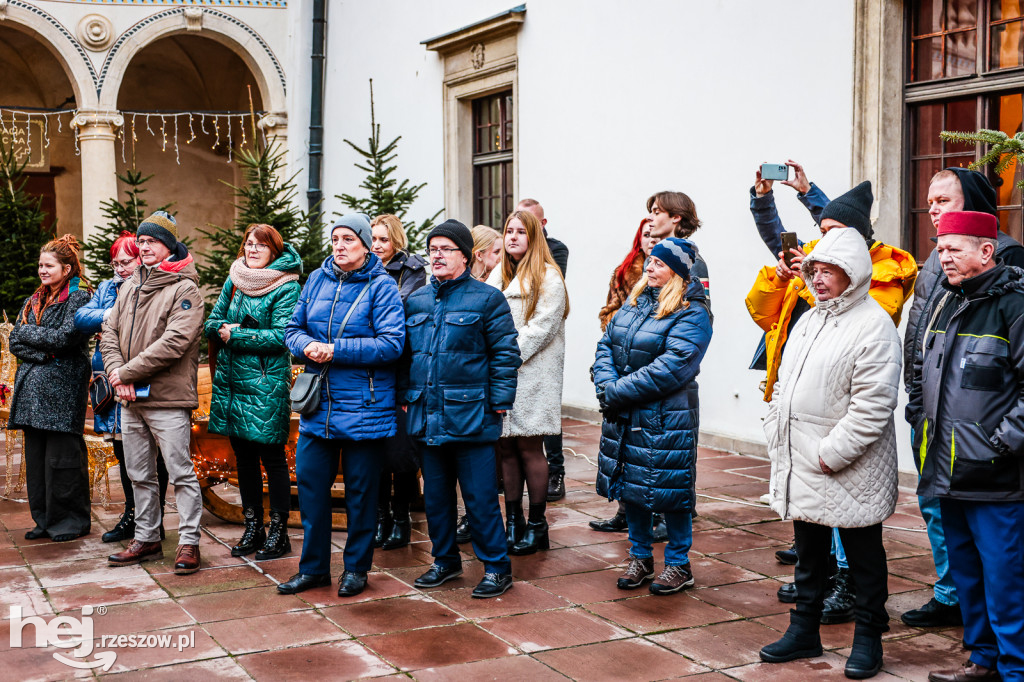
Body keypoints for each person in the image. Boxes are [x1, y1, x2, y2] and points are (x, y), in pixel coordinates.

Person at [746, 180, 917, 618]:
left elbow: (872, 399)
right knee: (810, 534)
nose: (825, 242)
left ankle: (852, 596)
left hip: (838, 431)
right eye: (822, 232)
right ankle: (812, 602)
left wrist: (830, 451)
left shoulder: (884, 277)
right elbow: (766, 317)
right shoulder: (816, 288)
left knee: (855, 534)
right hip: (801, 424)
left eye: (836, 233)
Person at [759, 226, 901, 680]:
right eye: (814, 270)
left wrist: (829, 454)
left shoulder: (874, 324)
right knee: (809, 552)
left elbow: (873, 405)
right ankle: (804, 629)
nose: (817, 279)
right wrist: (775, 427)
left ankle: (868, 639)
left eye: (829, 271)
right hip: (803, 455)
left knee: (862, 556)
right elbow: (782, 378)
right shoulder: (810, 318)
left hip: (846, 464)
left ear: (854, 273)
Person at [901, 167, 1024, 629]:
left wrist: (999, 441)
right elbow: (926, 341)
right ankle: (965, 621)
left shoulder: (1007, 269)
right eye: (929, 202)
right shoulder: (942, 264)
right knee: (950, 534)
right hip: (937, 426)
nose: (932, 210)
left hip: (985, 451)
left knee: (999, 564)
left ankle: (1006, 657)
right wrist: (918, 405)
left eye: (943, 201)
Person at [280, 213, 405, 598]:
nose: (339, 245)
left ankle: (356, 568)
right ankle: (314, 569)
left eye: (348, 239)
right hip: (320, 406)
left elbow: (391, 344)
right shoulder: (316, 279)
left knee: (361, 494)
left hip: (364, 405)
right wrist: (305, 346)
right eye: (335, 239)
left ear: (366, 244)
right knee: (312, 489)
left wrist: (336, 349)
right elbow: (291, 328)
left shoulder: (382, 288)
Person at [400, 219, 521, 598]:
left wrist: (500, 402)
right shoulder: (416, 299)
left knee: (480, 498)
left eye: (445, 249)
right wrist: (406, 396)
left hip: (472, 416)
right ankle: (445, 561)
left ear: (465, 257)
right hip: (427, 416)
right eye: (432, 249)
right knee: (436, 498)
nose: (436, 255)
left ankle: (497, 568)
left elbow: (505, 353)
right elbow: (405, 357)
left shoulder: (487, 299)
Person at [590, 190, 712, 536]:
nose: (651, 218)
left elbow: (696, 324)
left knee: (666, 459)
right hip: (630, 369)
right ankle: (628, 513)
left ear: (676, 217)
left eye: (657, 211)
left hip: (661, 384)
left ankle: (667, 524)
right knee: (632, 452)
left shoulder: (693, 264)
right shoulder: (643, 263)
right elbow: (616, 326)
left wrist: (622, 383)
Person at [103, 212, 205, 575]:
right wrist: (117, 374)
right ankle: (146, 538)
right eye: (141, 241)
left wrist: (125, 372)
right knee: (139, 473)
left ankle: (189, 542)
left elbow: (175, 342)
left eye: (152, 241)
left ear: (169, 246)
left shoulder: (185, 289)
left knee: (180, 473)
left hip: (167, 399)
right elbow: (109, 330)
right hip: (130, 398)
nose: (145, 247)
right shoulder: (130, 284)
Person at [205, 224, 301, 560]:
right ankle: (252, 527)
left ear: (274, 250)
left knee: (272, 458)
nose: (253, 250)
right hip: (232, 385)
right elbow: (212, 321)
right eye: (248, 244)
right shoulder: (235, 278)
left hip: (265, 385)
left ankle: (278, 531)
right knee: (243, 458)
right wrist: (220, 327)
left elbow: (282, 337)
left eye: (260, 245)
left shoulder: (286, 286)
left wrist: (238, 335)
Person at [75, 231, 169, 543]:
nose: (119, 269)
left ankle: (153, 518)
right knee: (123, 453)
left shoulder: (153, 285)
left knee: (149, 456)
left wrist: (111, 323)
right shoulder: (106, 287)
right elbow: (82, 318)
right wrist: (114, 316)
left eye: (125, 262)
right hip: (109, 386)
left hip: (141, 380)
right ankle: (132, 515)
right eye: (115, 263)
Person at [487, 210, 569, 555]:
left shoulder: (549, 277)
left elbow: (540, 329)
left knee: (529, 447)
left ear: (534, 237)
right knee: (504, 447)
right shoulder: (497, 275)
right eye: (509, 231)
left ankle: (538, 525)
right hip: (502, 374)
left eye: (521, 231)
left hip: (533, 375)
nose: (514, 237)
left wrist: (502, 356)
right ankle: (513, 521)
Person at [8, 235, 94, 543]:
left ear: (67, 268)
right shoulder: (34, 298)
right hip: (32, 391)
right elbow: (14, 341)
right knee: (37, 460)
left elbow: (66, 338)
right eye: (41, 265)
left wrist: (30, 333)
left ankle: (69, 521)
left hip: (63, 388)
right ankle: (44, 520)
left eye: (49, 265)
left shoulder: (79, 298)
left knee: (63, 459)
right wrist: (43, 352)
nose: (43, 270)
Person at [590, 218, 654, 534]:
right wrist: (618, 332)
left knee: (649, 448)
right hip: (619, 360)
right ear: (638, 239)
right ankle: (624, 511)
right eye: (646, 234)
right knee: (620, 442)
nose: (651, 238)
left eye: (655, 233)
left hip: (648, 367)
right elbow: (608, 311)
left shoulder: (672, 277)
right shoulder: (623, 272)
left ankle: (655, 514)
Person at [369, 213, 428, 551]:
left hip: (402, 370)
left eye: (383, 239)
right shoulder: (361, 270)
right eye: (373, 239)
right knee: (376, 450)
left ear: (396, 241)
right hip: (372, 373)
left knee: (402, 453)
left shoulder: (412, 272)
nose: (377, 246)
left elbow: (400, 314)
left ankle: (402, 517)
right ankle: (380, 517)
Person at [515, 198, 570, 502]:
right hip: (514, 349)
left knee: (545, 416)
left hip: (538, 345)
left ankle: (556, 470)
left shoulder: (555, 251)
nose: (518, 233)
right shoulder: (505, 266)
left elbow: (542, 295)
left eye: (528, 225)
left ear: (541, 226)